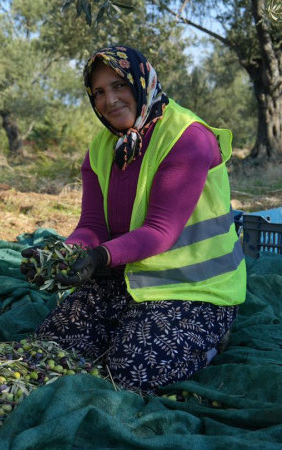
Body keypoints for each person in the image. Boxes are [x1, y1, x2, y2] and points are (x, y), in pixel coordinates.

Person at [21, 45, 246, 393]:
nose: (109, 100)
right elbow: (92, 226)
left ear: (142, 83)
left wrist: (98, 258)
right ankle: (129, 324)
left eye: (119, 85)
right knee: (49, 350)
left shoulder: (186, 138)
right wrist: (60, 255)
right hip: (128, 280)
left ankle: (214, 339)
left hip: (195, 288)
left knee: (131, 373)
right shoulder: (101, 148)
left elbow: (160, 231)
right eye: (98, 92)